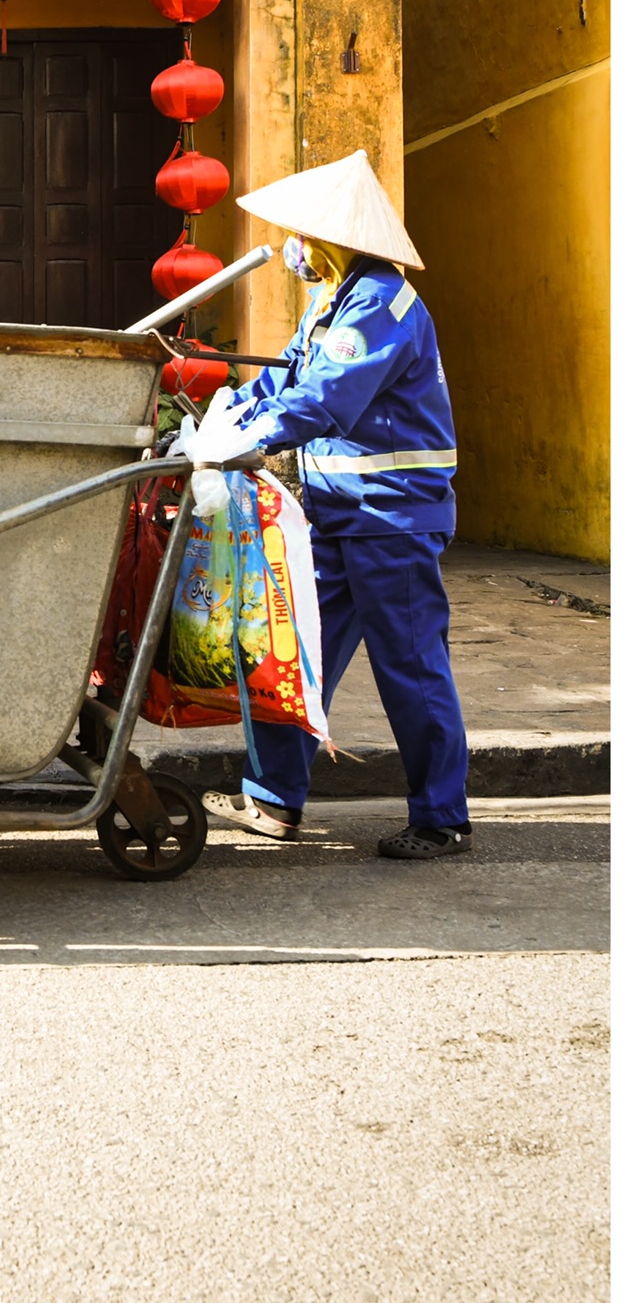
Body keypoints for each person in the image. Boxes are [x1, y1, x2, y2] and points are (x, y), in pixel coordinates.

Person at [200, 149, 471, 860]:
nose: (288, 248)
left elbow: (324, 399)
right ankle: (272, 801)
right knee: (295, 659)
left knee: (410, 667)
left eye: (298, 234)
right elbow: (284, 381)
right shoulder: (334, 305)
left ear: (330, 237)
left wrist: (248, 439)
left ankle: (442, 816)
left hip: (391, 518)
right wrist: (224, 412)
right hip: (338, 514)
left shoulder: (383, 304)